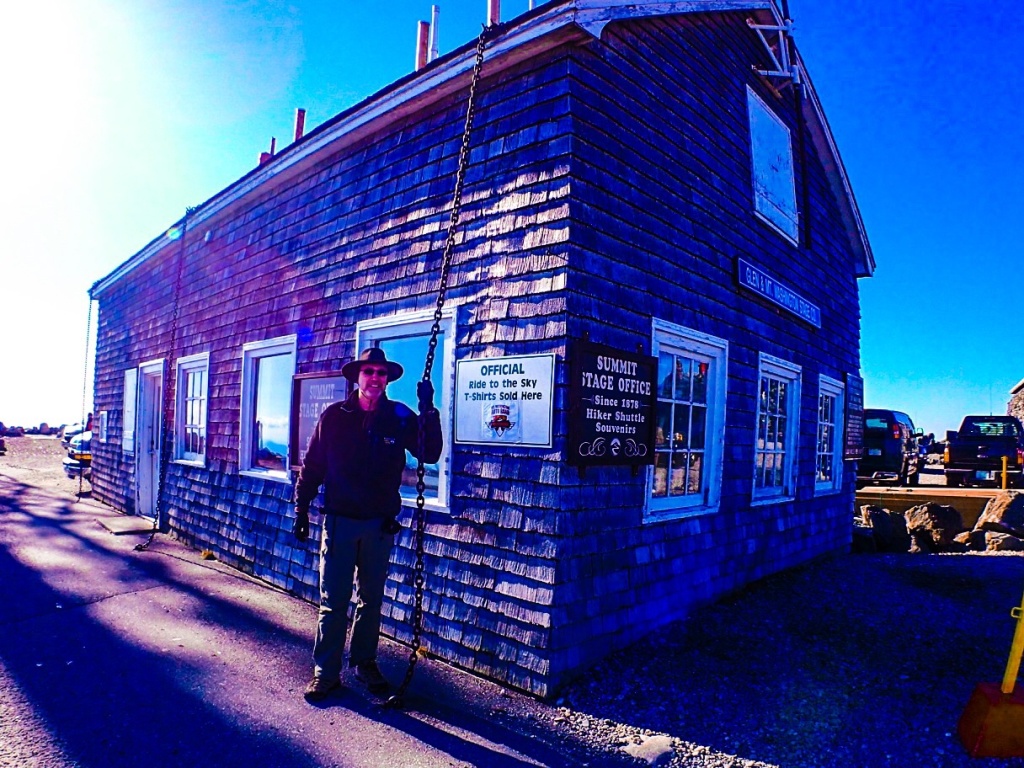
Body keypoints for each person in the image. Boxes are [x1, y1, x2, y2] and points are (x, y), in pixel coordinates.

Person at [293, 347, 443, 702]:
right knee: (334, 601)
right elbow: (312, 466)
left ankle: (364, 661)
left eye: (381, 373)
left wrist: (428, 410)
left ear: (387, 378)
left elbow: (430, 453)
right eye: (368, 372)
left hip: (379, 524)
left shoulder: (399, 416)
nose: (375, 378)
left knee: (371, 599)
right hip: (340, 522)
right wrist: (301, 509)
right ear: (357, 377)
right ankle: (325, 673)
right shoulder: (334, 417)